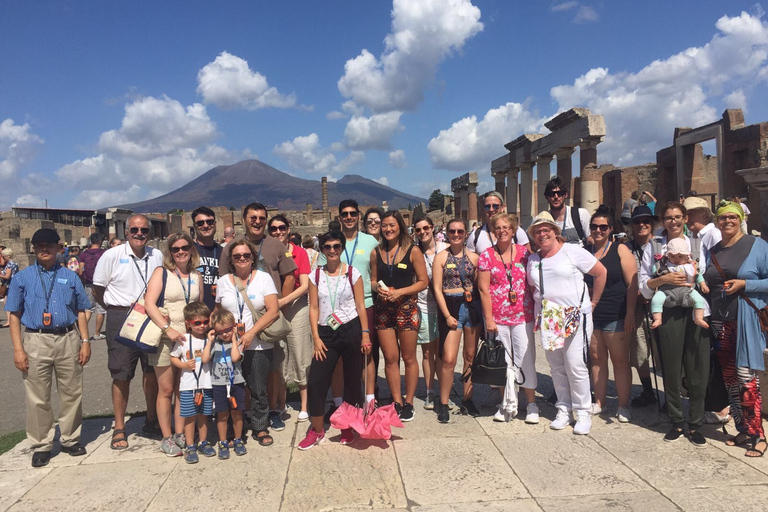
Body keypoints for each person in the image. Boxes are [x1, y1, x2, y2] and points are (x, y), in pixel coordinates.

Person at [6, 228, 91, 467]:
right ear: (33, 248)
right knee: (37, 396)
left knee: (72, 392)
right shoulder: (22, 278)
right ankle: (41, 444)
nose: (45, 249)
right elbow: (13, 313)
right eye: (40, 245)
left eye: (50, 245)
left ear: (58, 248)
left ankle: (70, 439)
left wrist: (85, 342)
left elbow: (82, 311)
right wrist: (17, 348)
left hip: (67, 338)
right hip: (36, 339)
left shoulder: (70, 276)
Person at [218, 203, 296, 432]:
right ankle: (244, 416)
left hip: (268, 315)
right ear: (244, 219)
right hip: (238, 321)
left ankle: (270, 411)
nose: (258, 221)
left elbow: (289, 275)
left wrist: (280, 302)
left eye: (262, 217)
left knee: (271, 369)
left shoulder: (275, 244)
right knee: (239, 375)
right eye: (253, 217)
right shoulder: (230, 247)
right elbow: (225, 281)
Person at [527, 212, 606, 435]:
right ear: (533, 236)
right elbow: (535, 289)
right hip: (550, 316)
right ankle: (564, 407)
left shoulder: (572, 252)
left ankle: (582, 411)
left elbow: (600, 272)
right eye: (538, 231)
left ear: (555, 231)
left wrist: (594, 302)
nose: (542, 234)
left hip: (574, 314)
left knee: (576, 365)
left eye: (546, 230)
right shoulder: (534, 259)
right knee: (557, 366)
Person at [639, 202, 711, 446]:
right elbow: (644, 283)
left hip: (695, 309)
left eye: (678, 217)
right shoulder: (654, 246)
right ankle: (677, 420)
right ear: (662, 220)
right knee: (670, 367)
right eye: (668, 217)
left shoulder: (698, 244)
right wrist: (662, 279)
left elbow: (704, 274)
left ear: (685, 218)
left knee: (697, 369)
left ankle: (696, 423)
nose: (673, 221)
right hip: (668, 310)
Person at [92, 214, 161, 450]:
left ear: (149, 233)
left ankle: (152, 420)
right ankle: (119, 427)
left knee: (151, 370)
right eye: (134, 230)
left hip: (149, 315)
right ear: (126, 232)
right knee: (121, 373)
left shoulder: (157, 255)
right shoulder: (112, 255)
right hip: (121, 315)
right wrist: (116, 306)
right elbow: (97, 289)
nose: (139, 234)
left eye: (143, 230)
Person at [704, 201, 767, 457]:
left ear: (740, 218)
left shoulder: (757, 246)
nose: (727, 221)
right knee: (730, 379)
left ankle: (758, 435)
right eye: (722, 218)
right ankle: (742, 429)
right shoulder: (715, 249)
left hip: (745, 321)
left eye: (732, 217)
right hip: (720, 321)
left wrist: (745, 284)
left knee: (745, 377)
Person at [299, 231, 372, 450]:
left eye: (336, 246)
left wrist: (365, 333)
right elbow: (313, 307)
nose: (332, 250)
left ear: (342, 249)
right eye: (327, 247)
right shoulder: (316, 276)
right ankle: (317, 429)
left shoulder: (352, 273)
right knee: (316, 381)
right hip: (325, 332)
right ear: (321, 250)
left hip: (350, 328)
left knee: (352, 381)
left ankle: (347, 426)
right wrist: (315, 337)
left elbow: (361, 305)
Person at [215, 238, 280, 446]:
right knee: (233, 387)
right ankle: (238, 427)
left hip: (258, 341)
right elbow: (218, 311)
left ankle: (260, 426)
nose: (242, 259)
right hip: (229, 343)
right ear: (231, 260)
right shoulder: (224, 281)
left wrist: (251, 332)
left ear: (253, 257)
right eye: (237, 256)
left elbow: (273, 311)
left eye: (246, 255)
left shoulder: (263, 278)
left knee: (258, 386)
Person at [320, 200, 381, 421]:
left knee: (367, 353)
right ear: (339, 217)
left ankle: (370, 401)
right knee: (336, 358)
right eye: (344, 214)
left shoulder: (370, 241)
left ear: (358, 216)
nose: (348, 217)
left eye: (352, 213)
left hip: (364, 303)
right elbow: (320, 275)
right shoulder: (331, 242)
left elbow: (374, 276)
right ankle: (337, 403)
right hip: (335, 309)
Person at [144, 232, 203, 456]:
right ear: (170, 252)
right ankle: (166, 436)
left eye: (184, 247)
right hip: (166, 338)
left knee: (184, 388)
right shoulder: (162, 273)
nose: (180, 252)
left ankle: (180, 433)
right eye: (176, 249)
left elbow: (198, 307)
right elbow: (149, 304)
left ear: (191, 249)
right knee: (166, 389)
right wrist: (167, 328)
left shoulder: (196, 276)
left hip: (188, 339)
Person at [477, 213, 538, 424]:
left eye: (506, 227)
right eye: (498, 228)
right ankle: (506, 402)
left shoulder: (524, 254)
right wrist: (489, 319)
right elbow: (483, 289)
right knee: (502, 361)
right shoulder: (487, 255)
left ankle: (531, 403)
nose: (502, 231)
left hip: (523, 315)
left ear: (513, 230)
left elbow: (533, 284)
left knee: (525, 358)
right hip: (498, 317)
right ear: (493, 232)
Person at [370, 211, 428, 421]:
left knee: (409, 357)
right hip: (384, 309)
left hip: (406, 308)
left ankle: (409, 401)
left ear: (400, 226)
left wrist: (400, 292)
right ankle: (396, 400)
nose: (388, 229)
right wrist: (380, 289)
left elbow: (423, 281)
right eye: (384, 226)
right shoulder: (376, 252)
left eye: (392, 225)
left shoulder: (412, 251)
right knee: (390, 358)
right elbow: (373, 280)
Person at [586, 206, 637, 423]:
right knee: (596, 359)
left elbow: (632, 284)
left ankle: (623, 405)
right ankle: (599, 401)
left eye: (603, 227)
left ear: (611, 229)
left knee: (620, 360)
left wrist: (630, 313)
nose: (598, 230)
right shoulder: (585, 251)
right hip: (592, 315)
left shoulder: (620, 250)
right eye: (595, 226)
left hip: (616, 313)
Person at [433, 218, 482, 420]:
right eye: (452, 231)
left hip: (470, 306)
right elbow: (436, 288)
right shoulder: (440, 258)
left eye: (460, 231)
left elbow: (480, 286)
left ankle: (467, 398)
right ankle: (443, 402)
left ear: (465, 234)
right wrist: (446, 315)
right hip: (451, 306)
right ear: (446, 232)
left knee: (470, 356)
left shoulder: (474, 257)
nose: (456, 235)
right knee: (449, 358)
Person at [267, 215, 311, 423]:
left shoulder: (299, 253)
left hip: (295, 305)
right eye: (273, 229)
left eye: (281, 227)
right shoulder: (269, 252)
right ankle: (280, 404)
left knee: (300, 351)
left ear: (288, 228)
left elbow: (304, 286)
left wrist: (283, 302)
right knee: (279, 356)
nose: (278, 232)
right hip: (274, 307)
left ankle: (304, 404)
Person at [170, 301, 215, 464]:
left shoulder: (210, 338)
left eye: (205, 322)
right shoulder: (183, 340)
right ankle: (190, 445)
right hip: (188, 386)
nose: (202, 326)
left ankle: (203, 441)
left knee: (204, 416)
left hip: (206, 384)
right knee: (189, 417)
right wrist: (183, 365)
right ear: (188, 324)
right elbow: (173, 357)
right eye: (197, 323)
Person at [625, 206, 660, 408]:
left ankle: (670, 393)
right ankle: (648, 390)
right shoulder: (625, 248)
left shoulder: (660, 246)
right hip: (635, 305)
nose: (641, 225)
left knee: (661, 349)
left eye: (646, 221)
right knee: (639, 349)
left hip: (659, 304)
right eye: (637, 222)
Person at [202, 308, 247, 459]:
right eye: (220, 332)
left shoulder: (239, 341)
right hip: (219, 384)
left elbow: (235, 358)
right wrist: (210, 341)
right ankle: (222, 442)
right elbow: (204, 359)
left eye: (228, 330)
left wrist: (234, 339)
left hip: (236, 382)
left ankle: (238, 439)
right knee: (221, 414)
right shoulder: (214, 343)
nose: (225, 334)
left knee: (237, 413)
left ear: (233, 327)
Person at [413, 215, 447, 410]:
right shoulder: (415, 251)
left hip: (444, 306)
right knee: (427, 352)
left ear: (433, 228)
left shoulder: (445, 248)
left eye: (426, 228)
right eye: (418, 230)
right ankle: (429, 391)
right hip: (424, 305)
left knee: (442, 352)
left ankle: (443, 391)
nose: (423, 232)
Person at [649, 237, 709, 329]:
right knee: (656, 299)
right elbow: (655, 270)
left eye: (680, 256)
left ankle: (698, 318)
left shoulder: (690, 266)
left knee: (700, 300)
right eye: (672, 256)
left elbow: (698, 275)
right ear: (668, 256)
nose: (676, 259)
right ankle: (657, 318)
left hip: (686, 290)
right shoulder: (664, 264)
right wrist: (656, 269)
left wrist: (703, 284)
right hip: (666, 290)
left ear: (686, 256)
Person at [191, 206, 223, 311]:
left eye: (209, 222)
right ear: (194, 226)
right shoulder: (187, 250)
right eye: (200, 223)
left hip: (218, 311)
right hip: (194, 312)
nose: (205, 226)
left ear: (215, 224)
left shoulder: (223, 252)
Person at [545, 176, 590, 247]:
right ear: (546, 197)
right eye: (552, 194)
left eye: (559, 193)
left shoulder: (581, 214)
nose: (556, 196)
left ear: (565, 195)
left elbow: (591, 240)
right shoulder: (542, 220)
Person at [80, 234, 107, 340]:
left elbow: (81, 271)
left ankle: (82, 333)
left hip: (88, 283)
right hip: (101, 284)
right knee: (101, 309)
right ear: (100, 241)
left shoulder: (84, 254)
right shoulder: (103, 253)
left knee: (88, 308)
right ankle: (97, 333)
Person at [1, 248, 20, 328]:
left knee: (7, 303)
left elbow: (7, 276)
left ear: (7, 256)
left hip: (8, 285)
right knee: (8, 302)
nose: (3, 258)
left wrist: (0, 275)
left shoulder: (9, 265)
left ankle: (9, 321)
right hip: (12, 285)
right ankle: (10, 320)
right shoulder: (14, 264)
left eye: (4, 256)